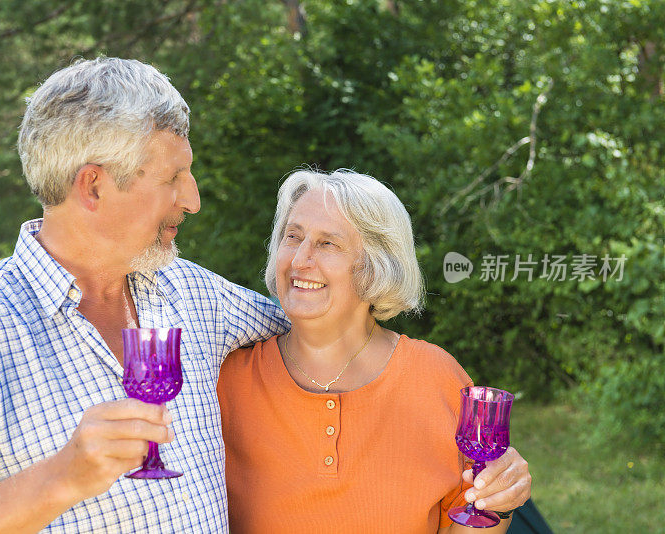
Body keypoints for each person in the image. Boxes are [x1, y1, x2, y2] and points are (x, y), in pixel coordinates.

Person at [0, 57, 289, 533]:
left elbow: (312, 327)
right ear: (92, 186)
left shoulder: (192, 292)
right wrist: (62, 478)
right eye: (172, 178)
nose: (192, 199)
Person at [218, 169, 531, 533]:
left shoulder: (437, 377)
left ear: (376, 265)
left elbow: (470, 517)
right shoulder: (228, 381)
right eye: (293, 236)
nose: (300, 259)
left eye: (327, 243)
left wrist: (500, 500)